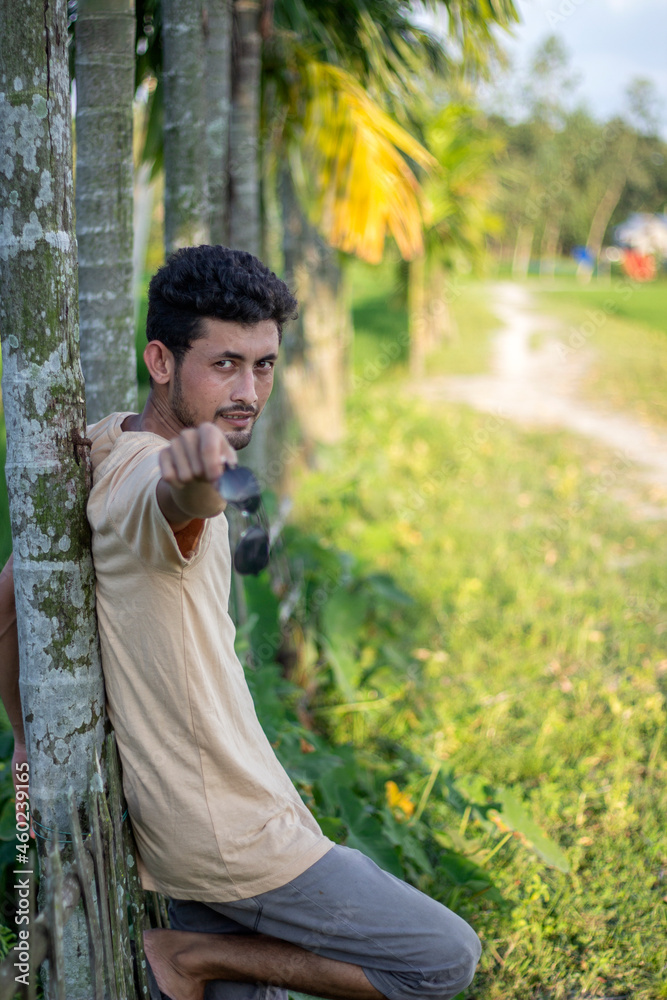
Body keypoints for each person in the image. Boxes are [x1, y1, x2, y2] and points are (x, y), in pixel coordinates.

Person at [0, 246, 481, 1000]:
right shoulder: (147, 478)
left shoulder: (103, 440)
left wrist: (26, 743)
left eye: (263, 365)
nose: (248, 390)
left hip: (201, 821)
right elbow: (175, 509)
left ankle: (199, 962)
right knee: (441, 957)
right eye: (224, 363)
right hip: (232, 835)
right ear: (161, 360)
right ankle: (188, 957)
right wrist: (195, 483)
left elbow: (8, 598)